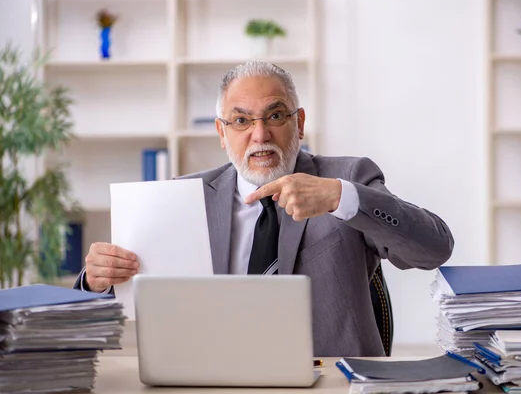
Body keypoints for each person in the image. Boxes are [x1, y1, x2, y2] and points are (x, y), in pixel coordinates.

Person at [74, 60, 454, 357]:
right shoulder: (184, 198)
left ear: (299, 123)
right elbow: (108, 305)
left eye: (275, 115)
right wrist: (97, 280)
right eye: (241, 120)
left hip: (332, 382)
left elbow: (434, 248)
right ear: (223, 134)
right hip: (216, 380)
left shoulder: (347, 177)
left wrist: (343, 198)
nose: (260, 134)